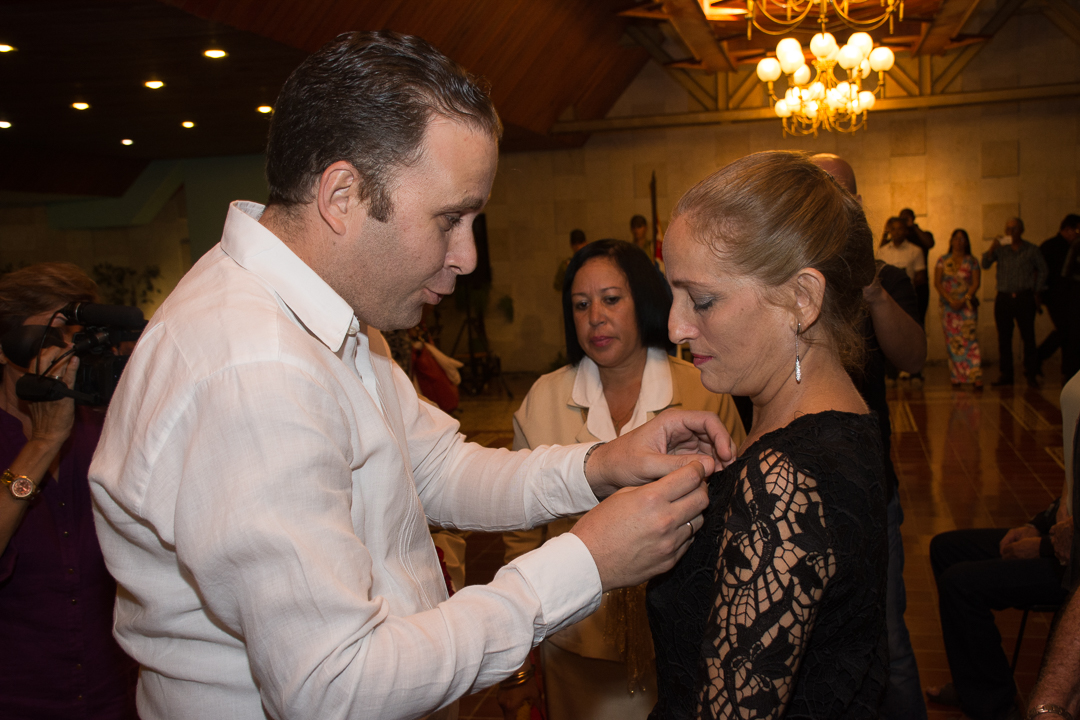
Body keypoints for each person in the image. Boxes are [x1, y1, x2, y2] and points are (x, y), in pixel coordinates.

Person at [88, 32, 733, 720]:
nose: (465, 257)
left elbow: (435, 471)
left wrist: (602, 465)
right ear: (343, 195)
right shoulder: (253, 367)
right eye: (450, 219)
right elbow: (334, 687)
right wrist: (584, 563)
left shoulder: (336, 315)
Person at [647, 151, 889, 719]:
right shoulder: (832, 425)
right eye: (675, 296)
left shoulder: (785, 482)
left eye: (702, 300)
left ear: (801, 300)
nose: (676, 327)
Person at [499, 239, 747, 720]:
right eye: (581, 304)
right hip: (575, 639)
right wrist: (520, 666)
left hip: (681, 637)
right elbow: (520, 540)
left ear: (645, 301)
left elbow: (735, 513)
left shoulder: (700, 389)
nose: (595, 317)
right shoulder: (544, 398)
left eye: (611, 299)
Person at [812, 153, 929, 720]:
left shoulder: (886, 278)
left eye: (843, 193)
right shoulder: (783, 283)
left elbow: (913, 357)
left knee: (890, 642)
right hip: (796, 493)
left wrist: (873, 290)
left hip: (869, 490)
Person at [0, 262, 138, 719]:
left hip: (113, 695)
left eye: (79, 336)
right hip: (20, 697)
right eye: (54, 334)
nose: (69, 352)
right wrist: (41, 445)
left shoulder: (105, 432)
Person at [926, 493, 1071, 720]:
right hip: (1054, 542)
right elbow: (1068, 497)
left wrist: (1042, 547)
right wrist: (1034, 526)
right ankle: (972, 684)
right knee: (944, 548)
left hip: (1071, 569)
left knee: (960, 585)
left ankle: (994, 706)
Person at [982, 217, 1048, 387]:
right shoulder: (1001, 250)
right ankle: (1006, 374)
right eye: (1008, 229)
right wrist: (992, 248)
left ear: (1021, 230)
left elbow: (1043, 269)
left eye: (1014, 229)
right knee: (1004, 338)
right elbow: (985, 263)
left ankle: (1031, 373)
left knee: (1028, 336)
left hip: (1024, 296)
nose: (1010, 232)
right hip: (1004, 296)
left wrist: (1037, 288)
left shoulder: (1031, 249)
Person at [935, 229, 983, 387]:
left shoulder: (972, 261)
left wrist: (964, 299)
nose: (959, 242)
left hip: (966, 305)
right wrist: (950, 299)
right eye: (956, 238)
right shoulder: (943, 260)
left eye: (962, 239)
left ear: (967, 242)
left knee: (970, 340)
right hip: (949, 307)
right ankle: (957, 376)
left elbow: (975, 283)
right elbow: (938, 282)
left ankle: (975, 375)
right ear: (951, 241)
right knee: (953, 342)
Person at [1039, 214, 1080, 379]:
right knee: (1065, 331)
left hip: (1067, 297)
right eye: (1076, 230)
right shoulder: (1051, 246)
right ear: (1067, 229)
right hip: (1055, 297)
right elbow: (1041, 273)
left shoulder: (1071, 245)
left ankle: (1068, 369)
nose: (1077, 234)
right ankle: (1036, 358)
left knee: (1069, 333)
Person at [899, 208, 935, 326]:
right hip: (901, 284)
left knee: (919, 321)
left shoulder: (920, 234)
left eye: (907, 218)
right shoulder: (900, 237)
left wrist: (913, 226)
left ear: (913, 218)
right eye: (902, 218)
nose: (904, 221)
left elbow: (929, 243)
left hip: (920, 285)